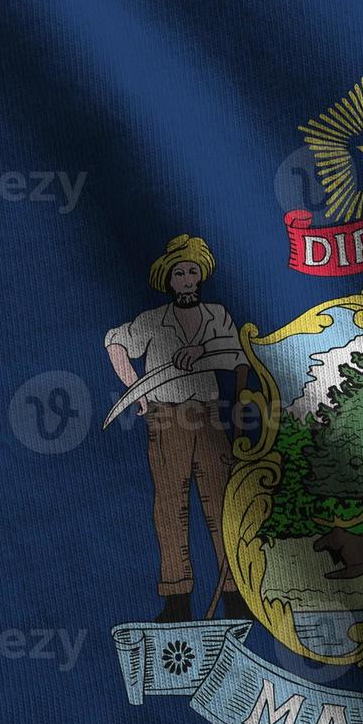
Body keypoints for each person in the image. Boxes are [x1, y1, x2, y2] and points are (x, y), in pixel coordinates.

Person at [105, 233, 252, 622]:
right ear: (168, 280)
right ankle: (176, 598)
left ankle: (235, 594)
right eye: (180, 273)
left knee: (222, 506)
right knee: (171, 507)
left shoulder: (218, 315)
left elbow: (239, 358)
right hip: (167, 417)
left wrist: (231, 395)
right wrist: (136, 392)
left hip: (208, 415)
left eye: (192, 272)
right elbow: (115, 343)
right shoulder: (153, 320)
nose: (187, 280)